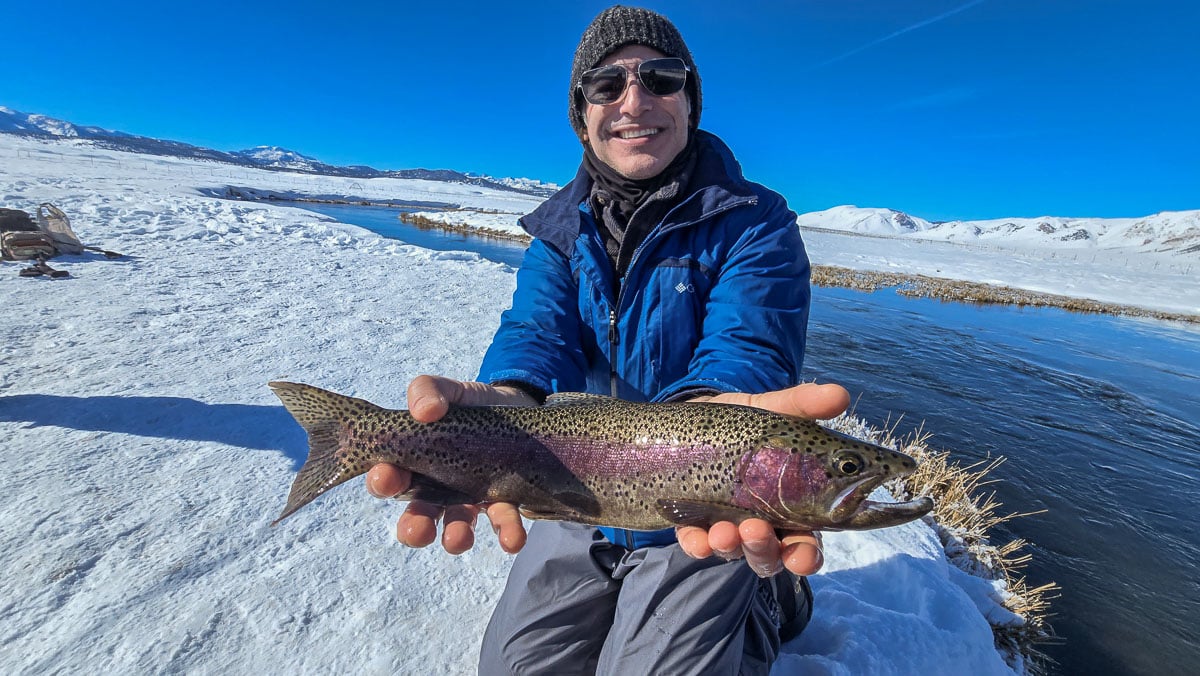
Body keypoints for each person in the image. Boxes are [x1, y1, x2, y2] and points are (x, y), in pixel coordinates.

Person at [366, 5, 851, 674]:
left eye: (661, 78)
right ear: (583, 111)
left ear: (690, 99)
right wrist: (504, 401)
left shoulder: (755, 223)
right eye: (607, 85)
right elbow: (537, 334)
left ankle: (771, 597)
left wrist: (715, 418)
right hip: (573, 490)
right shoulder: (558, 232)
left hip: (703, 500)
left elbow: (748, 344)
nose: (635, 100)